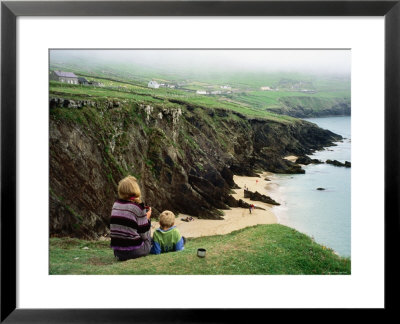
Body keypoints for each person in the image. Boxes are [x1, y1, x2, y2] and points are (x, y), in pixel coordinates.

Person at [110, 175, 152, 261]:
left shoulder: (115, 205)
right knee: (147, 230)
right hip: (135, 252)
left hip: (118, 252)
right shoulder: (138, 207)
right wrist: (147, 219)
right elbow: (144, 235)